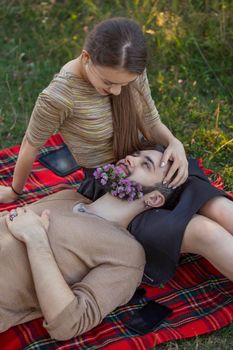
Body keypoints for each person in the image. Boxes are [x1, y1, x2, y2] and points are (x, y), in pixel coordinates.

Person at [1, 148, 232, 340]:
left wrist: (37, 240)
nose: (131, 158)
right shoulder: (67, 196)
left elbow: (68, 323)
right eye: (136, 154)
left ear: (154, 198)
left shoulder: (127, 255)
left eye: (146, 165)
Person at [0, 17, 188, 205]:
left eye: (125, 84)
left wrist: (173, 142)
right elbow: (30, 145)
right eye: (108, 83)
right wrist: (14, 191)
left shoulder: (129, 69)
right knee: (168, 222)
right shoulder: (59, 97)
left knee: (198, 192)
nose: (117, 91)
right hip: (108, 179)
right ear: (86, 58)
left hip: (148, 160)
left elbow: (149, 121)